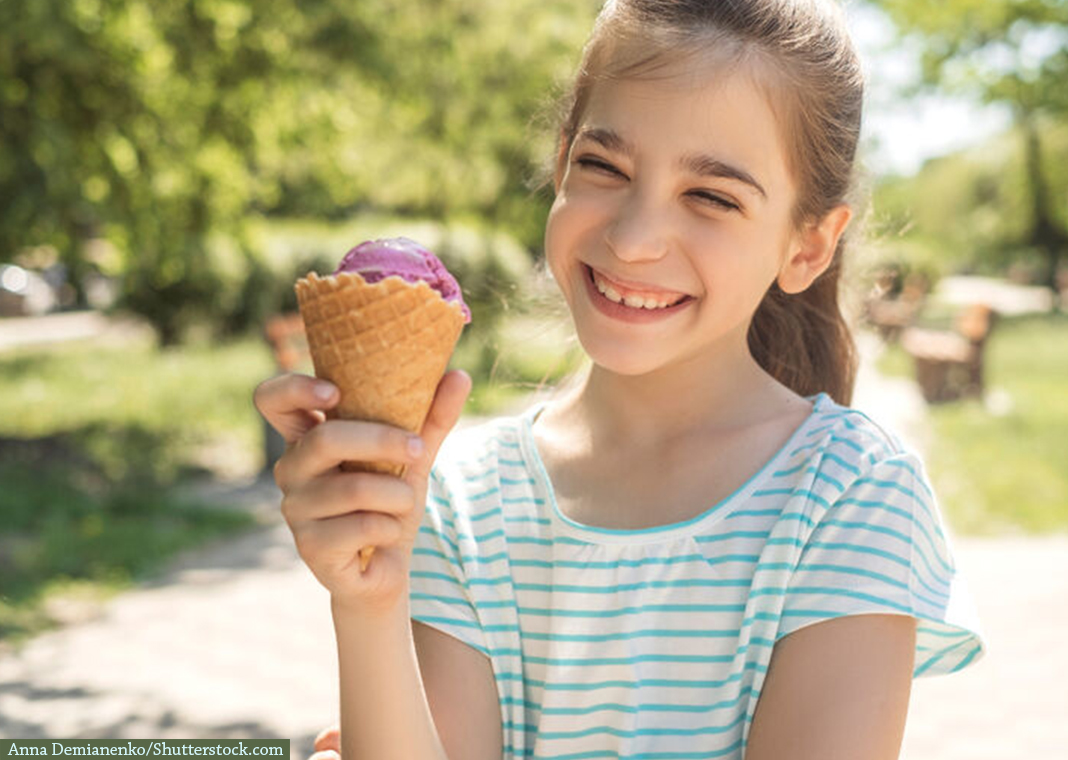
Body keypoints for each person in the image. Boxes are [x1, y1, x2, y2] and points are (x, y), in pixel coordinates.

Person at [254, 1, 987, 758]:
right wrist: (369, 603)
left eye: (712, 196)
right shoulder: (457, 501)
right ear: (563, 160)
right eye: (603, 167)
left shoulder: (851, 495)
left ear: (806, 246)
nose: (633, 240)